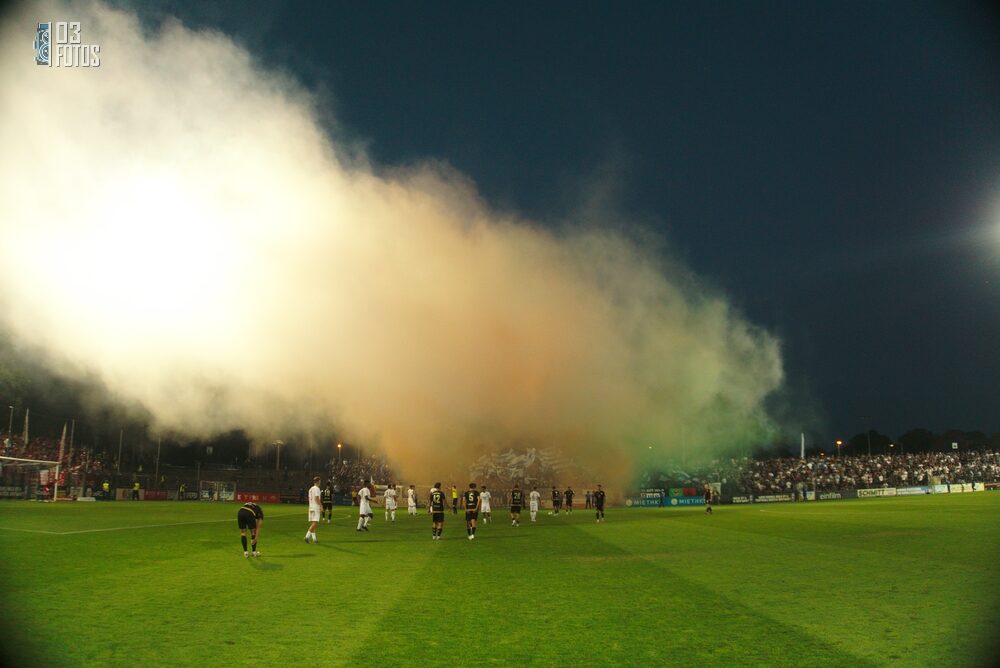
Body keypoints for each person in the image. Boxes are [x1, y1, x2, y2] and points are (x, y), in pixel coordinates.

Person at [304, 476, 322, 543]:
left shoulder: (310, 489)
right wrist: (320, 506)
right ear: (318, 481)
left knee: (313, 524)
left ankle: (314, 539)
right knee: (315, 523)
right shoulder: (317, 489)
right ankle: (307, 536)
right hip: (315, 507)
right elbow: (316, 498)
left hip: (311, 507)